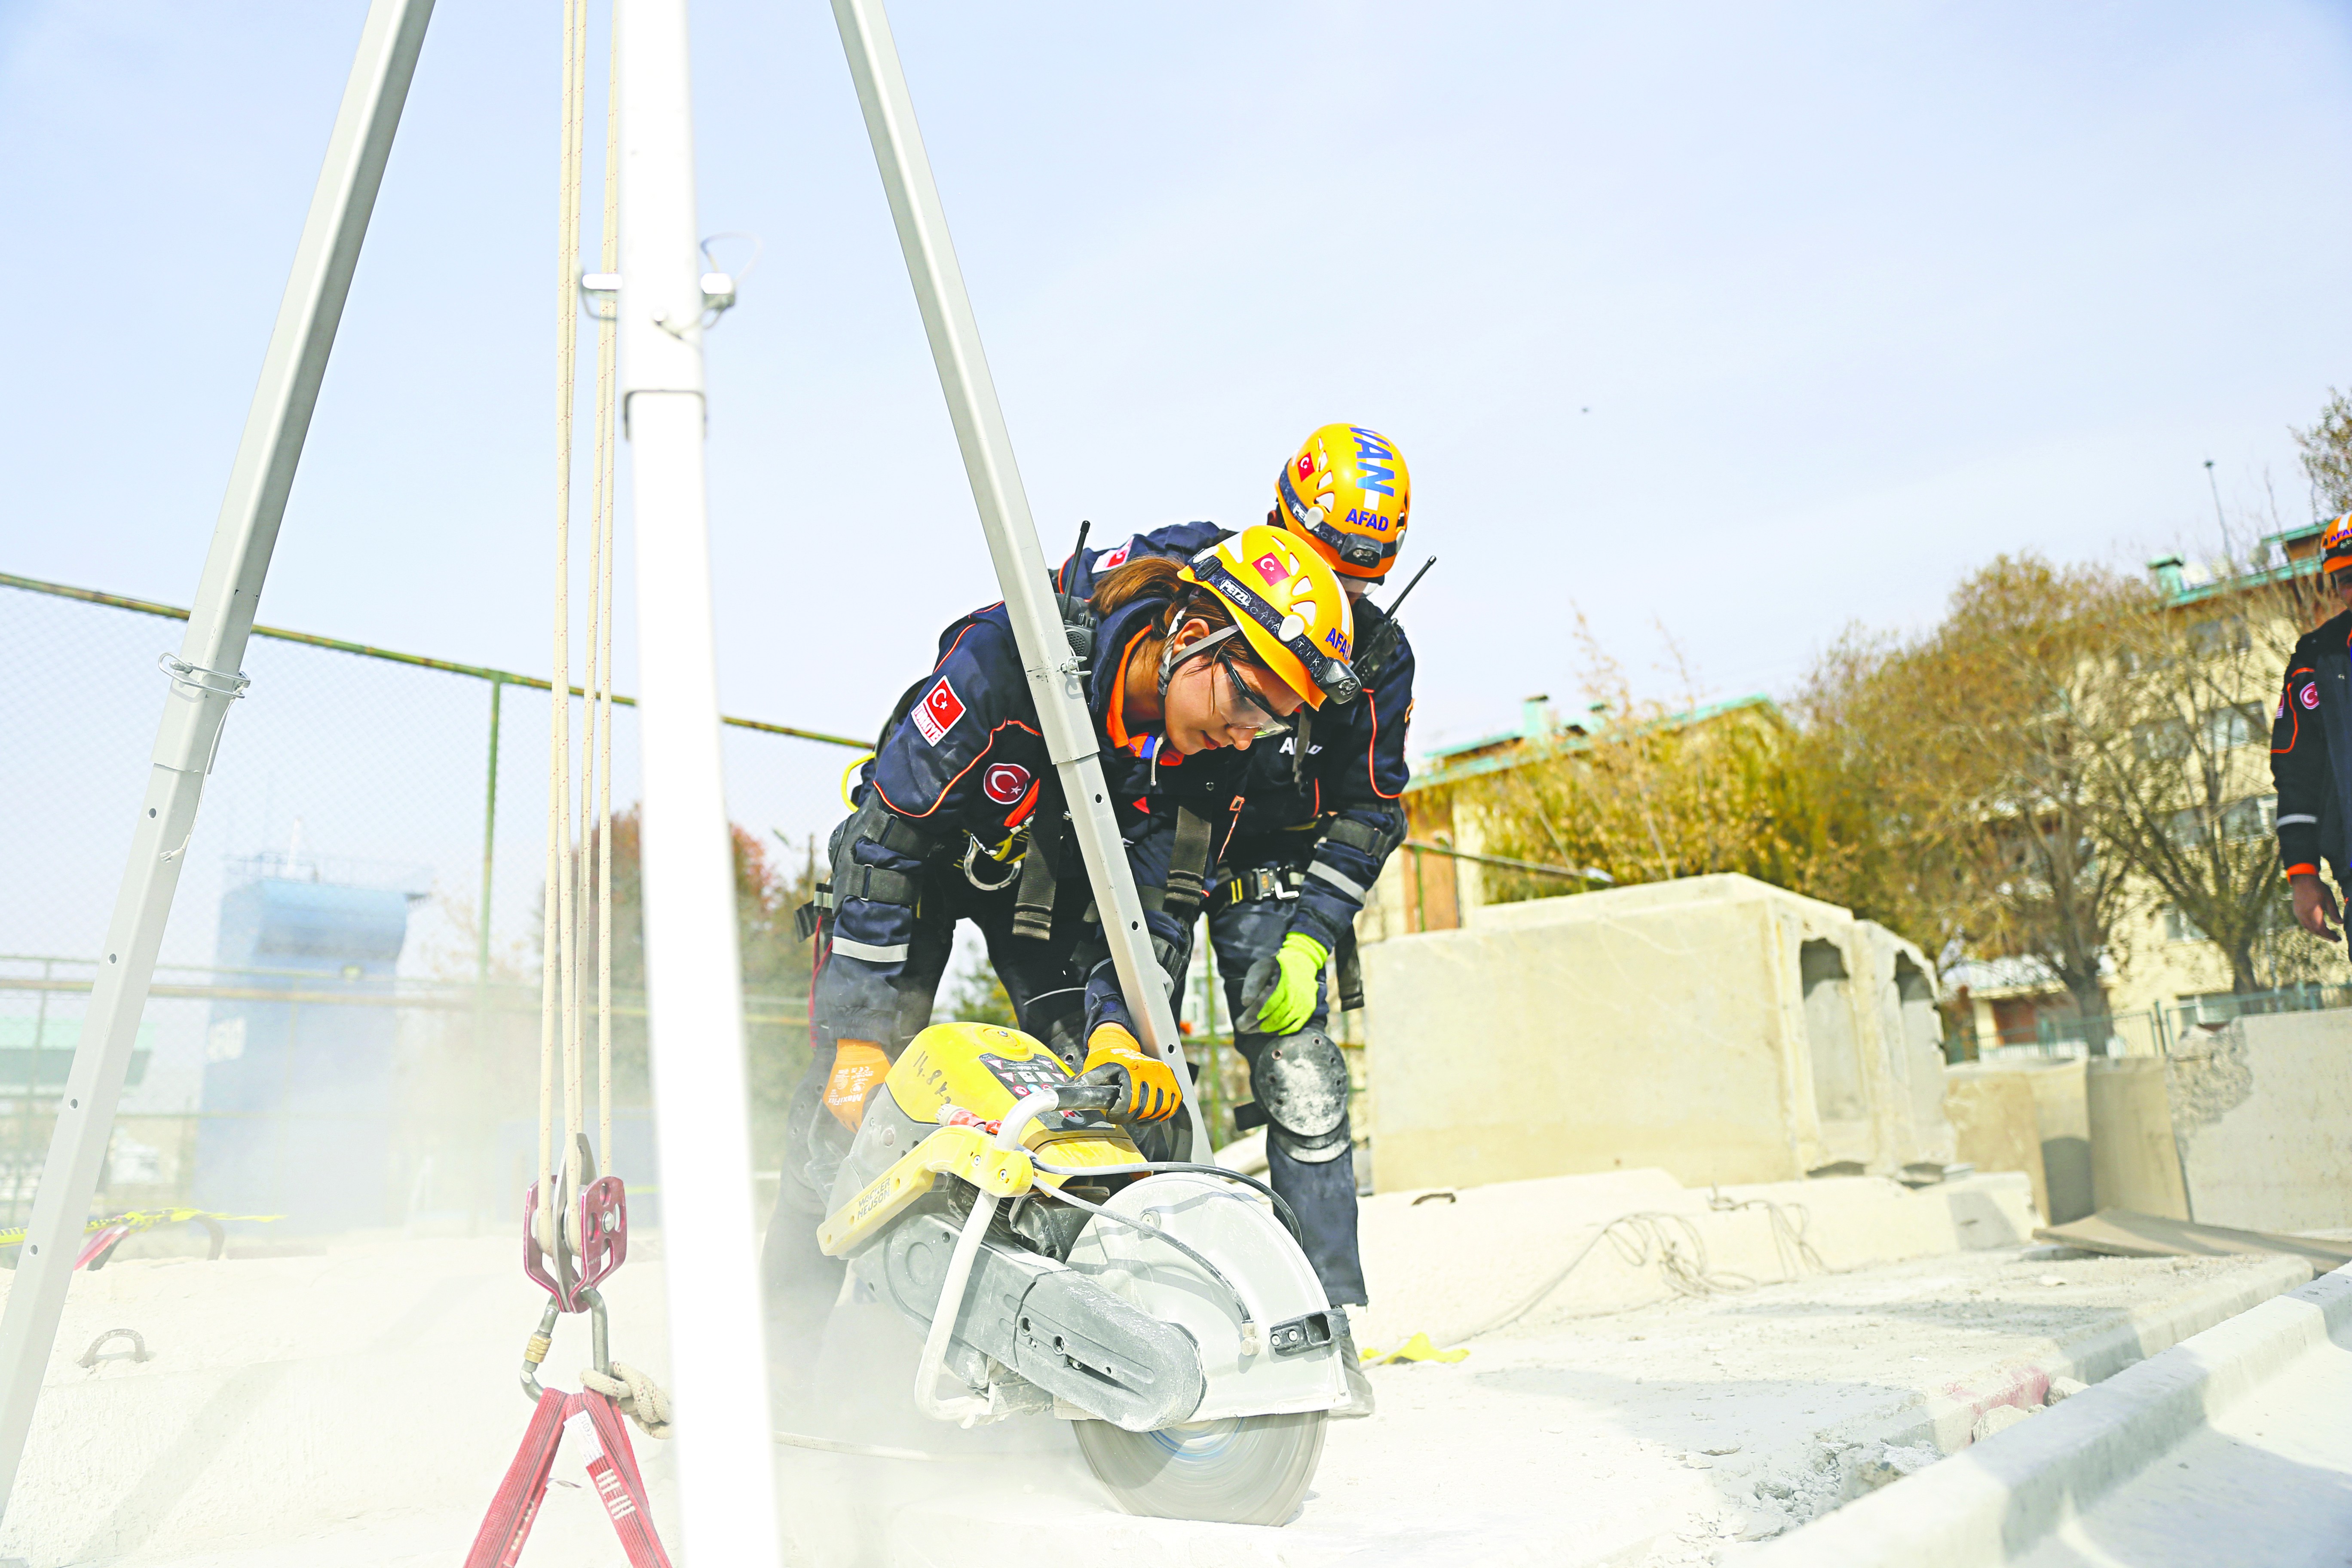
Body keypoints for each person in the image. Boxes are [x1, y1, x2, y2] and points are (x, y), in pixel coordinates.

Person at [763, 523, 1360, 1393]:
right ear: (1195, 640)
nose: (1249, 736)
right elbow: (886, 842)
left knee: (1116, 1112)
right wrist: (859, 1039)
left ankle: (1086, 1364)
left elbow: (1154, 912)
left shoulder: (1209, 763)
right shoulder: (1009, 658)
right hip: (915, 872)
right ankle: (777, 1371)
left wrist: (1118, 1034)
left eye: (1275, 723)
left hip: (1041, 890)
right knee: (838, 1123)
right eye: (1249, 706)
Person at [1057, 423, 1422, 1418]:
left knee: (1300, 1079)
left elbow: (1373, 803)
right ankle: (1150, 1309)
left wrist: (1312, 930)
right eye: (1318, 562)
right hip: (1167, 827)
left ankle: (1322, 1326)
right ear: (1275, 520)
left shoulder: (1378, 656)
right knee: (1134, 1052)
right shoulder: (1197, 563)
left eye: (1355, 579)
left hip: (1274, 865)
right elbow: (1078, 614)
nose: (1331, 595)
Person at [2273, 514, 2352, 944]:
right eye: (2345, 578)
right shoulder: (2315, 660)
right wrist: (2302, 872)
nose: (2351, 589)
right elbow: (2295, 770)